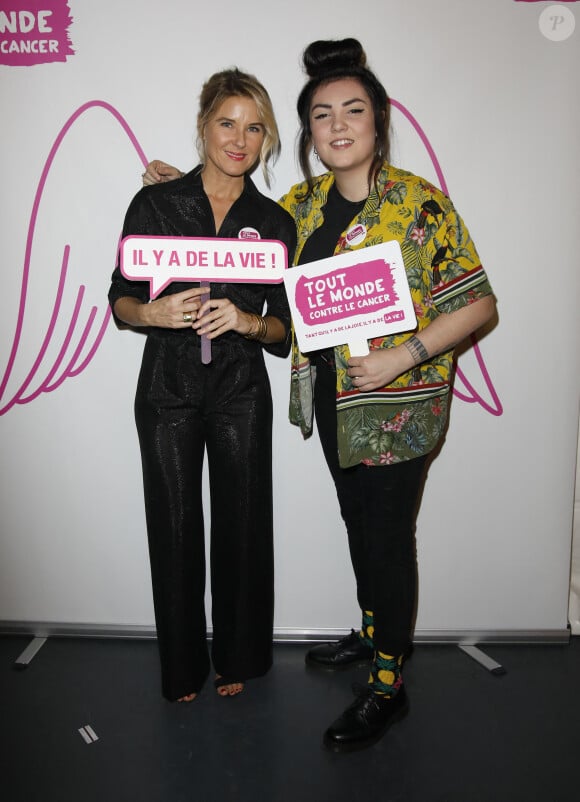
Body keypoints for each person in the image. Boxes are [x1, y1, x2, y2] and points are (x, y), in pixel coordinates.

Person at [142, 38, 496, 751]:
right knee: (359, 525)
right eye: (323, 114)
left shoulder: (421, 206)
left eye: (353, 111)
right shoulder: (300, 205)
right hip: (332, 401)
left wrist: (406, 354)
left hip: (398, 407)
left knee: (388, 539)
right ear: (308, 132)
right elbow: (245, 224)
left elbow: (479, 305)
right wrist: (187, 183)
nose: (338, 125)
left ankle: (388, 685)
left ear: (379, 121)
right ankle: (372, 636)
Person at [108, 68, 296, 703]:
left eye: (254, 127)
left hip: (242, 390)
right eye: (227, 123)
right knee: (176, 524)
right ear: (203, 126)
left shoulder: (274, 220)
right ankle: (182, 666)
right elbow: (120, 300)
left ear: (267, 138)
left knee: (244, 525)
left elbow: (284, 330)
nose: (239, 139)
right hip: (166, 388)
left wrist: (248, 321)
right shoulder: (156, 204)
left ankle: (239, 654)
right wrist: (153, 313)